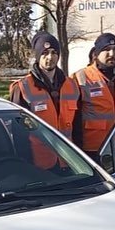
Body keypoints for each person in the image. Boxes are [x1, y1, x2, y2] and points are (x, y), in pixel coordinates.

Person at [9, 32, 80, 168]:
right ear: (37, 56)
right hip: (39, 162)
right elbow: (18, 133)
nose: (50, 57)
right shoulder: (23, 87)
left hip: (69, 160)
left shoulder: (72, 85)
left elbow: (77, 126)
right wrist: (26, 165)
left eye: (54, 52)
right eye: (45, 53)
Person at [71, 32, 115, 157]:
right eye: (106, 49)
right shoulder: (80, 77)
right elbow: (72, 117)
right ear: (96, 53)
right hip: (94, 149)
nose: (112, 54)